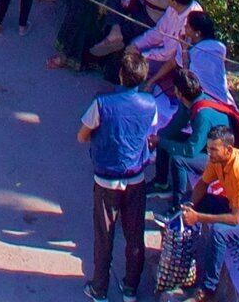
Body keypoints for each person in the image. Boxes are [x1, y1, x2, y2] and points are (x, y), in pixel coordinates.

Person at [77, 54, 168, 301]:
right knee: (135, 235)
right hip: (136, 177)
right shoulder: (150, 104)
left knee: (104, 235)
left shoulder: (102, 103)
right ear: (143, 77)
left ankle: (99, 288)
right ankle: (130, 288)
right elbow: (148, 132)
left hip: (106, 179)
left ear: (120, 75)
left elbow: (82, 135)